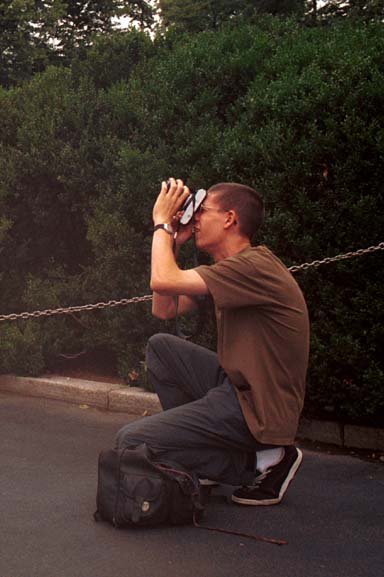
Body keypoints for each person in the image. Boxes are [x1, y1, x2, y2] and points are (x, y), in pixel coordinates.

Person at [116, 179, 309, 506]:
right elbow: (164, 309)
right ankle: (204, 455)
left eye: (202, 211)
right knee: (162, 348)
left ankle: (265, 463)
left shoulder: (253, 266)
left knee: (130, 442)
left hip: (258, 408)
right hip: (237, 388)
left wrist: (162, 223)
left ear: (230, 219)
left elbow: (162, 278)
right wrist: (175, 242)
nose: (195, 219)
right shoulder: (230, 270)